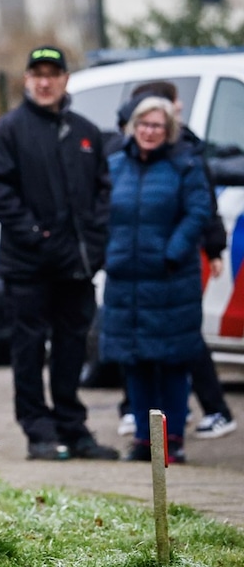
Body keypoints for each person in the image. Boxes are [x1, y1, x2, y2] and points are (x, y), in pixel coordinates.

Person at [0, 45, 119, 461]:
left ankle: (74, 428)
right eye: (37, 73)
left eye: (52, 73)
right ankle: (39, 431)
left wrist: (94, 243)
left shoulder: (86, 132)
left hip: (77, 267)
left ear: (65, 80)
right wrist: (37, 235)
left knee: (74, 347)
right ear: (26, 80)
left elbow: (103, 195)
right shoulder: (8, 131)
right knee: (29, 348)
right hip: (28, 267)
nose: (44, 81)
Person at [108, 81, 238, 441]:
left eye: (158, 126)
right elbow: (99, 212)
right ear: (132, 126)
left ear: (170, 130)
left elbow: (199, 211)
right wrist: (109, 253)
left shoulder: (186, 164)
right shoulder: (114, 165)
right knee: (135, 363)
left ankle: (173, 440)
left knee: (173, 363)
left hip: (169, 279)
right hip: (127, 281)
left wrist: (173, 252)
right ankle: (144, 442)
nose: (150, 132)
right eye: (144, 124)